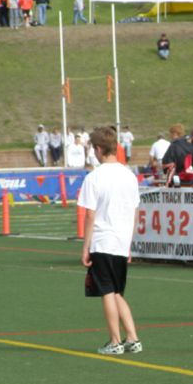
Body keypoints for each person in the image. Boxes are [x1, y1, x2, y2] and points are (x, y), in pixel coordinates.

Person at [78, 126, 142, 355]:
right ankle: (132, 337)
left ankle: (115, 341)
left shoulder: (94, 177)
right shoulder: (129, 176)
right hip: (121, 241)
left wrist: (86, 246)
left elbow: (90, 214)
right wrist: (129, 243)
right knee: (117, 292)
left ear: (98, 149)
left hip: (103, 240)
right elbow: (135, 212)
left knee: (106, 291)